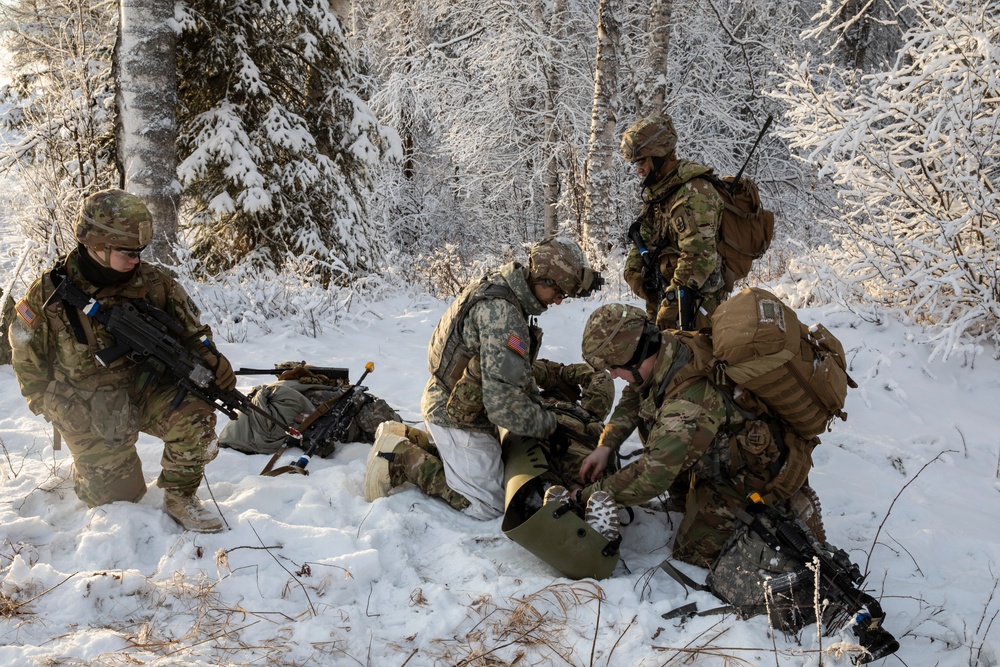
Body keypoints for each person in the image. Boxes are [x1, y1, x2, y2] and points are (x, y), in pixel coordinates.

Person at [8, 189, 235, 533]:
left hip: (147, 390)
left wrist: (210, 355)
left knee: (197, 420)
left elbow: (193, 331)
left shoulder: (154, 283)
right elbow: (25, 359)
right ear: (97, 245)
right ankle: (90, 466)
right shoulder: (48, 295)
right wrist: (52, 404)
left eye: (140, 252)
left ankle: (180, 496)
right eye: (128, 252)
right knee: (118, 498)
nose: (137, 260)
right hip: (86, 409)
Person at [567, 303, 824, 567]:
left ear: (631, 355)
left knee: (692, 556)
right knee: (664, 440)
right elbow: (634, 397)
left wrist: (586, 496)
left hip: (750, 470)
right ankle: (688, 501)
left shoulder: (686, 403)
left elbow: (652, 475)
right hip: (714, 449)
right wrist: (605, 446)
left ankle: (789, 505)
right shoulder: (668, 344)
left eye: (614, 367)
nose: (612, 374)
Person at [364, 236, 603, 520]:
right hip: (454, 413)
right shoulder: (502, 315)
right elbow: (503, 406)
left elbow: (507, 373)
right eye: (559, 292)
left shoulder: (505, 287)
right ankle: (400, 457)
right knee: (486, 506)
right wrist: (550, 426)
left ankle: (423, 443)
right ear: (544, 279)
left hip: (465, 401)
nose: (560, 301)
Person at [620, 114, 727, 330]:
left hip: (696, 307)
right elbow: (646, 233)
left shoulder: (694, 193)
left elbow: (698, 256)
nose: (638, 170)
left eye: (641, 162)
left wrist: (671, 302)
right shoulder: (661, 190)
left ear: (659, 156)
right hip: (667, 299)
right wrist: (633, 271)